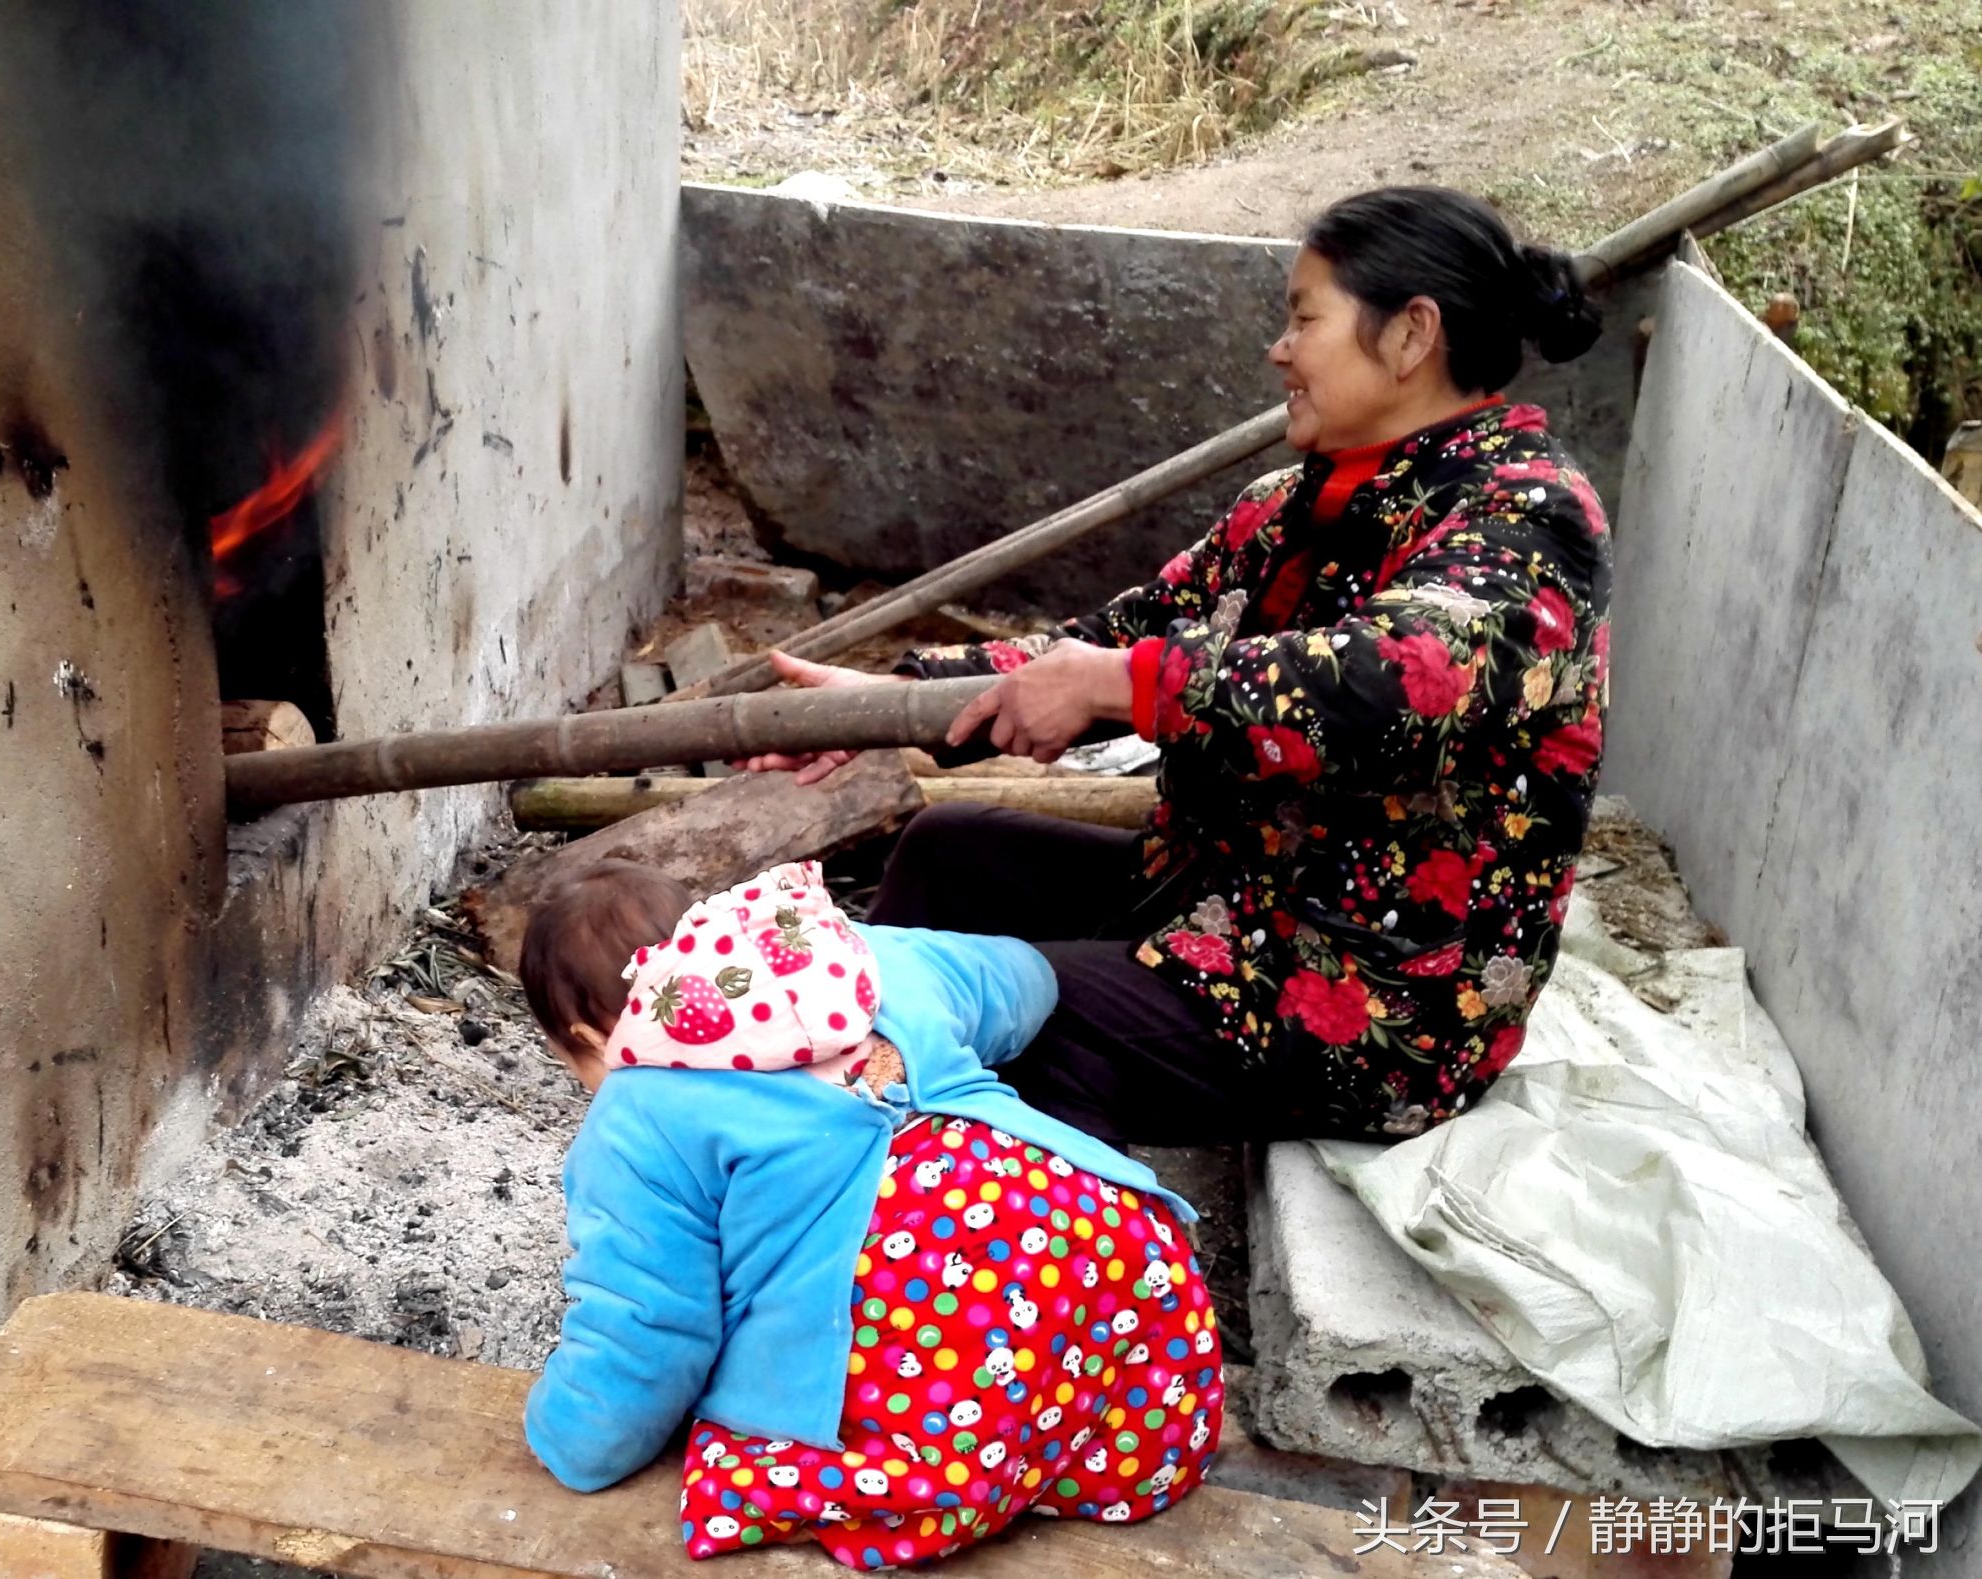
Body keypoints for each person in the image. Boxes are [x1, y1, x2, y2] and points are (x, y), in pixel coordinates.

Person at [738, 186, 1611, 1146]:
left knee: (1013, 1018)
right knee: (953, 856)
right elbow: (1123, 634)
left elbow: (1393, 681)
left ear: (1410, 336)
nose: (1279, 349)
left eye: (1302, 318)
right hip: (1223, 900)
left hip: (1366, 998)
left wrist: (1128, 684)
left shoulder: (1526, 515)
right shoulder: (1289, 506)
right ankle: (838, 1139)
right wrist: (894, 700)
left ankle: (970, 1234)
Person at [514, 859, 1224, 1568]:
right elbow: (1018, 979)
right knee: (1070, 1327)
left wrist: (575, 1440)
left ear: (586, 1036)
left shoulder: (635, 1109)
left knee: (794, 1421)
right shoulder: (856, 956)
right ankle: (1094, 1439)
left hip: (935, 1320)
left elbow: (650, 1323)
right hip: (1103, 1237)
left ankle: (966, 1468)